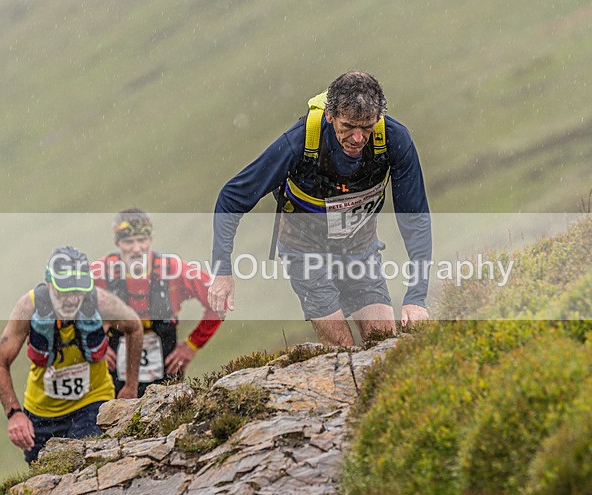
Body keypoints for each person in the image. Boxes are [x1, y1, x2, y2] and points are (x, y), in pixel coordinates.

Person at [208, 71, 432, 346]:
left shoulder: (394, 140)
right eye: (348, 126)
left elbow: (416, 220)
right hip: (306, 252)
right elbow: (230, 198)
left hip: (359, 250)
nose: (358, 138)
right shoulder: (300, 142)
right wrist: (222, 271)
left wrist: (416, 297)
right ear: (330, 115)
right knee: (341, 349)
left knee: (385, 343)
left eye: (367, 126)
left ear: (378, 118)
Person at [0, 246, 144, 463]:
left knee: (79, 463)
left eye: (78, 291)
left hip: (93, 402)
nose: (72, 299)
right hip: (41, 413)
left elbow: (135, 327)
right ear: (49, 284)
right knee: (43, 477)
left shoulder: (101, 302)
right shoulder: (29, 306)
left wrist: (130, 386)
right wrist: (14, 413)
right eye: (65, 291)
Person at [93, 208, 222, 397]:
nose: (136, 248)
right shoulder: (100, 273)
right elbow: (71, 307)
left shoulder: (173, 269)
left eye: (142, 240)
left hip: (165, 365)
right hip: (109, 371)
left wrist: (192, 345)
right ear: (117, 242)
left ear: (150, 240)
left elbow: (219, 300)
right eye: (129, 241)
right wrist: (96, 344)